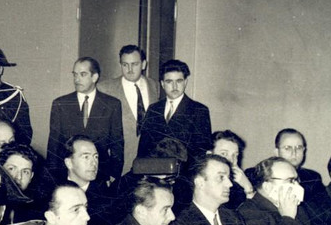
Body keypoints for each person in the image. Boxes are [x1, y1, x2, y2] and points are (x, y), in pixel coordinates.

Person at [45, 57, 125, 185]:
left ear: (94, 77)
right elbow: (53, 145)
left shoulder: (112, 104)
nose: (77, 79)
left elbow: (117, 144)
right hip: (67, 176)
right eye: (75, 74)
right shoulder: (61, 104)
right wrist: (53, 176)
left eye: (83, 74)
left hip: (99, 175)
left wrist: (113, 175)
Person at [99, 45, 159, 175]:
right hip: (120, 165)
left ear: (143, 64)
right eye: (125, 65)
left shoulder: (154, 86)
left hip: (149, 163)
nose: (130, 69)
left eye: (135, 64)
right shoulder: (105, 89)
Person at [137, 59, 213, 161]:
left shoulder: (199, 110)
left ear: (185, 82)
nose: (174, 86)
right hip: (153, 171)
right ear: (163, 84)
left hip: (184, 174)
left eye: (179, 81)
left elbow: (201, 152)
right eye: (169, 82)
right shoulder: (153, 109)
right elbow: (143, 148)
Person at [62, 135, 122, 225]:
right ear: (69, 163)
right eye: (86, 157)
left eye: (96, 157)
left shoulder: (107, 199)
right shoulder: (52, 192)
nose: (94, 163)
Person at [274, 128, 325, 206]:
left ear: (304, 151)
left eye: (299, 148)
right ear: (277, 152)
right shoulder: (259, 175)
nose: (294, 153)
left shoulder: (313, 177)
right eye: (287, 148)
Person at [211, 130, 254, 208]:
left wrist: (248, 188)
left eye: (234, 155)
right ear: (209, 155)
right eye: (224, 154)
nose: (230, 160)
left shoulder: (238, 185)